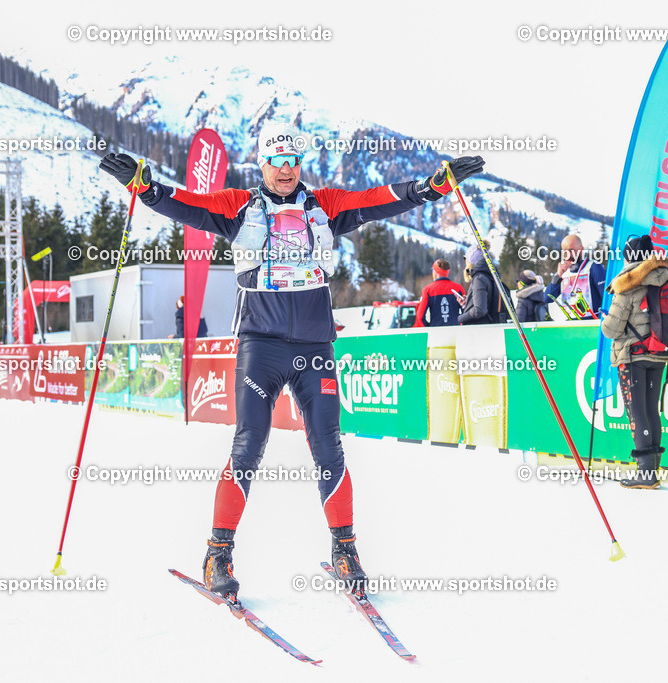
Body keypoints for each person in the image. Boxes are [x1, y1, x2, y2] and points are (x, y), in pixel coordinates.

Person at [100, 123, 485, 597]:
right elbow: (185, 204)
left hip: (315, 348)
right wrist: (143, 186)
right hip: (260, 346)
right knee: (249, 445)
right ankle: (218, 554)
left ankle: (345, 549)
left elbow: (382, 198)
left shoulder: (325, 205)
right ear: (261, 165)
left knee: (329, 445)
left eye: (293, 161)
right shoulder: (237, 206)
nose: (286, 169)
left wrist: (433, 187)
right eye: (277, 161)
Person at [600, 235, 668, 490]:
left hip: (632, 355)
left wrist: (604, 319)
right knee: (651, 410)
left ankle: (645, 474)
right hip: (658, 352)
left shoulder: (627, 284)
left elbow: (611, 329)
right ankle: (652, 470)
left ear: (630, 257)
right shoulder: (664, 278)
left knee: (637, 412)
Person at [544, 234, 606, 319]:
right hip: (571, 325)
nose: (569, 255)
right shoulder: (563, 272)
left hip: (592, 324)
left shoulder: (593, 267)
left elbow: (607, 297)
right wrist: (558, 276)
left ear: (582, 249)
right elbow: (547, 298)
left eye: (572, 250)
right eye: (565, 251)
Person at [457, 241, 507, 325]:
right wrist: (469, 302)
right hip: (488, 325)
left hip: (478, 328)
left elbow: (480, 310)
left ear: (471, 261)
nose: (465, 261)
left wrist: (460, 318)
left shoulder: (479, 279)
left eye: (465, 258)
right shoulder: (490, 276)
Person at [413, 259, 464, 327]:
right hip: (455, 331)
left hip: (436, 332)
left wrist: (429, 327)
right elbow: (466, 311)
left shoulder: (428, 290)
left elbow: (420, 316)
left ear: (434, 271)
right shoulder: (458, 288)